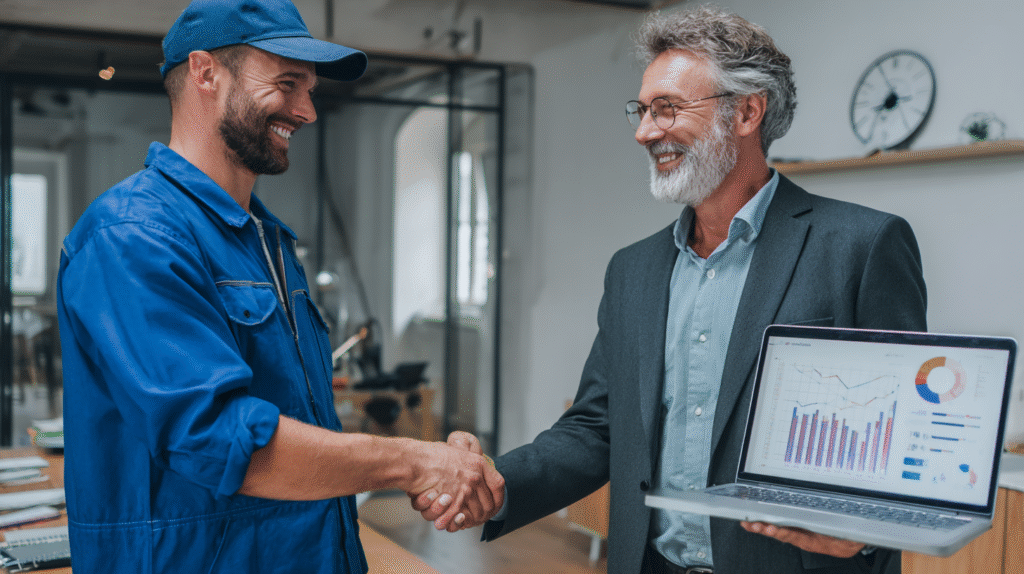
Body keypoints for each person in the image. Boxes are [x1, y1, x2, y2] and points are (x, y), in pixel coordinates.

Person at [417, 6, 925, 574]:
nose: (644, 131)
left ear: (747, 112)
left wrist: (864, 536)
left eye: (667, 109)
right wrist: (496, 483)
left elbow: (901, 440)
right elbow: (597, 427)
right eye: (642, 110)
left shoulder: (862, 246)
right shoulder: (632, 271)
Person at [55, 0, 502, 572]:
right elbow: (219, 437)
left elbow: (300, 427)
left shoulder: (263, 240)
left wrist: (433, 461)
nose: (307, 110)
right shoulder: (133, 235)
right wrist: (413, 461)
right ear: (205, 72)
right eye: (288, 83)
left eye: (309, 89)